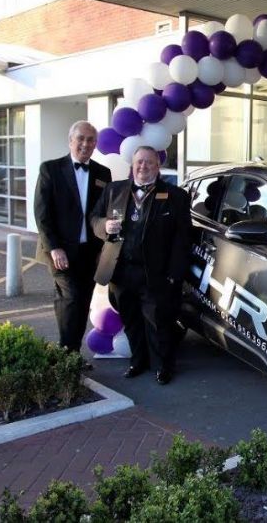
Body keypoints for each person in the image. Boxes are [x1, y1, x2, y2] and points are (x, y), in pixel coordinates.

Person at [90, 146, 191, 385]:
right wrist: (104, 226)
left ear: (157, 166)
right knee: (132, 320)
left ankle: (163, 366)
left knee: (158, 321)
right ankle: (138, 361)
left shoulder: (175, 196)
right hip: (121, 270)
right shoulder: (115, 190)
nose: (143, 167)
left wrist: (174, 274)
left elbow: (183, 238)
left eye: (148, 163)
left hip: (155, 273)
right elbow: (94, 218)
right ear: (132, 165)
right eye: (139, 163)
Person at [34, 121, 111, 361]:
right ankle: (66, 355)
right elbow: (41, 213)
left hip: (89, 252)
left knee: (82, 299)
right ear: (70, 140)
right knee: (71, 298)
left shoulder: (102, 173)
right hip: (59, 250)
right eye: (81, 138)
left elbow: (102, 213)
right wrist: (54, 247)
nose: (85, 144)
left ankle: (72, 354)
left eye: (91, 140)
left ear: (96, 144)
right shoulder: (50, 169)